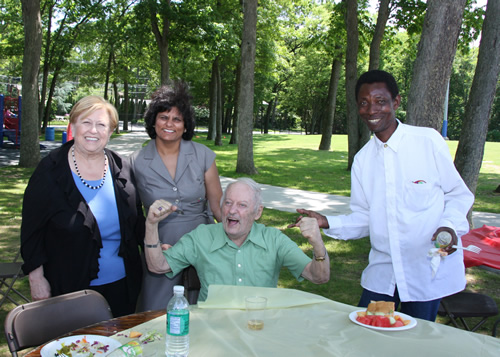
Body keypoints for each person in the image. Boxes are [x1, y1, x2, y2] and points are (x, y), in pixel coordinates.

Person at [290, 70, 474, 321]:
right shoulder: (363, 161)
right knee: (367, 334)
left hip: (424, 273)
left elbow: (458, 194)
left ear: (396, 102)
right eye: (364, 103)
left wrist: (449, 226)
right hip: (383, 273)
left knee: (415, 343)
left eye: (380, 101)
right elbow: (366, 217)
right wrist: (326, 221)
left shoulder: (427, 141)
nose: (371, 109)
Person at [21, 96, 145, 317]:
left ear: (111, 130)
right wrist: (36, 277)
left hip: (121, 286)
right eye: (86, 122)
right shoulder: (50, 171)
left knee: (117, 347)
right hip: (69, 288)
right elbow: (32, 231)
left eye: (101, 125)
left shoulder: (121, 168)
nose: (93, 130)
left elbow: (136, 222)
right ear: (73, 125)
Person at [143, 178, 330, 301]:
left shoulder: (274, 240)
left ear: (258, 212)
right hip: (213, 329)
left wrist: (318, 245)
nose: (232, 211)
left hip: (258, 327)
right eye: (228, 203)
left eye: (242, 205)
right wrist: (151, 224)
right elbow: (157, 266)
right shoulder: (202, 236)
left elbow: (318, 276)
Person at [130, 81, 223, 310]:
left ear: (185, 125)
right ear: (154, 120)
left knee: (204, 309)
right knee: (156, 312)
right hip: (159, 247)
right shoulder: (136, 161)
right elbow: (130, 214)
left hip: (203, 243)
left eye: (177, 119)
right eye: (163, 117)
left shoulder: (203, 156)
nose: (169, 124)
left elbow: (219, 208)